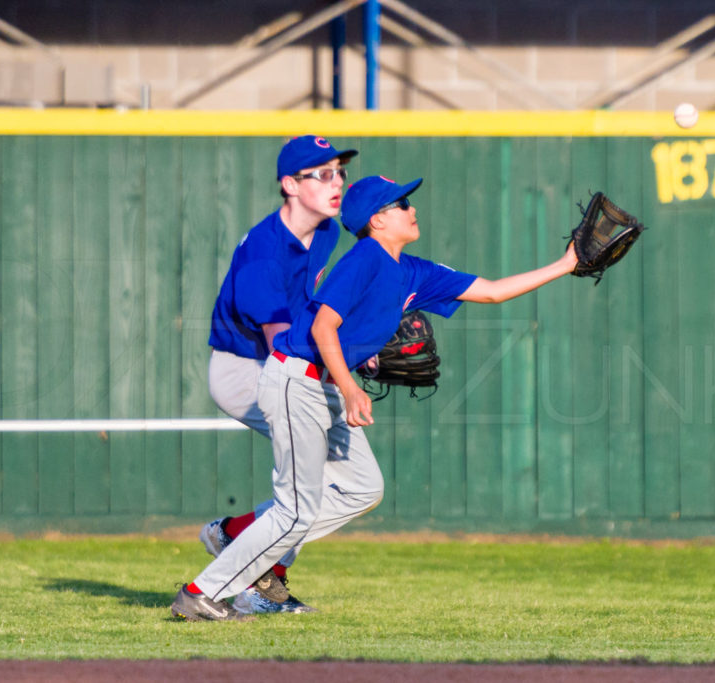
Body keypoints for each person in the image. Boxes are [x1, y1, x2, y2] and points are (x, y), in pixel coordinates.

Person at [170, 175, 578, 621]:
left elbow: (494, 291)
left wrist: (566, 264)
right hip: (295, 380)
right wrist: (349, 388)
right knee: (296, 509)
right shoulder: (363, 259)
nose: (412, 208)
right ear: (378, 219)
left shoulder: (412, 271)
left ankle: (242, 535)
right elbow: (324, 327)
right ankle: (201, 592)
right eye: (402, 203)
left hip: (322, 386)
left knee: (361, 488)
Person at [197, 134, 356, 616]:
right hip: (246, 369)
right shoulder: (265, 252)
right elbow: (280, 341)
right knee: (308, 482)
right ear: (290, 184)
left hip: (284, 361)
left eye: (340, 172)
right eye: (322, 174)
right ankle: (252, 580)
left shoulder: (326, 230)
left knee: (338, 482)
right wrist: (335, 371)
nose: (337, 182)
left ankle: (239, 535)